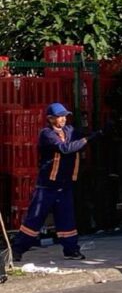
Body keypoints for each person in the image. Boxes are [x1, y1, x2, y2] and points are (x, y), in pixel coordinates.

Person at [11, 103, 101, 262]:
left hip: (64, 185)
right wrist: (87, 139)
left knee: (67, 220)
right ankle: (17, 250)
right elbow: (65, 148)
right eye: (60, 116)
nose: (64, 119)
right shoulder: (46, 134)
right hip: (47, 186)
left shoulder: (69, 130)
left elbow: (81, 135)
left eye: (65, 116)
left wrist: (98, 133)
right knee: (34, 220)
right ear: (50, 119)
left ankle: (71, 250)